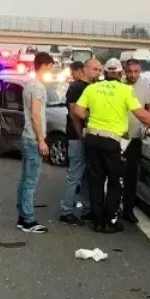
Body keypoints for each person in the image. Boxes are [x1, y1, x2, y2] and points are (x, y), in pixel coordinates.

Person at [71, 58, 150, 233]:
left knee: (96, 181)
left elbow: (77, 111)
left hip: (92, 138)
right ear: (120, 74)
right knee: (115, 181)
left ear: (104, 74)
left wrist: (92, 118)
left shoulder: (92, 88)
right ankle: (111, 220)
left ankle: (98, 221)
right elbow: (141, 114)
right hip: (112, 142)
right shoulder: (125, 90)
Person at [16, 52, 57, 233]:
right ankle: (29, 220)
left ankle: (22, 216)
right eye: (50, 67)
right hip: (33, 138)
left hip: (26, 136)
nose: (51, 71)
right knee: (31, 181)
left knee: (25, 179)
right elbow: (35, 114)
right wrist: (42, 139)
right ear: (44, 66)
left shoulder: (28, 84)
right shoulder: (39, 87)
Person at [60, 59, 98, 225]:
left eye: (99, 69)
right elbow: (75, 114)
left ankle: (86, 209)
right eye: (95, 69)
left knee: (85, 176)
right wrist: (80, 136)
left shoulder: (91, 87)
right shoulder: (76, 87)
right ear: (85, 69)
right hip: (77, 137)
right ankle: (66, 211)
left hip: (87, 136)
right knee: (75, 175)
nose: (98, 72)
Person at [121, 58, 150, 224]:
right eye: (130, 72)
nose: (133, 75)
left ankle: (128, 210)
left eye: (136, 71)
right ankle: (112, 208)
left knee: (131, 175)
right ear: (124, 71)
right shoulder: (118, 83)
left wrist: (148, 124)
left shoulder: (144, 84)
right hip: (118, 136)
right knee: (115, 174)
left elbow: (149, 106)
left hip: (135, 137)